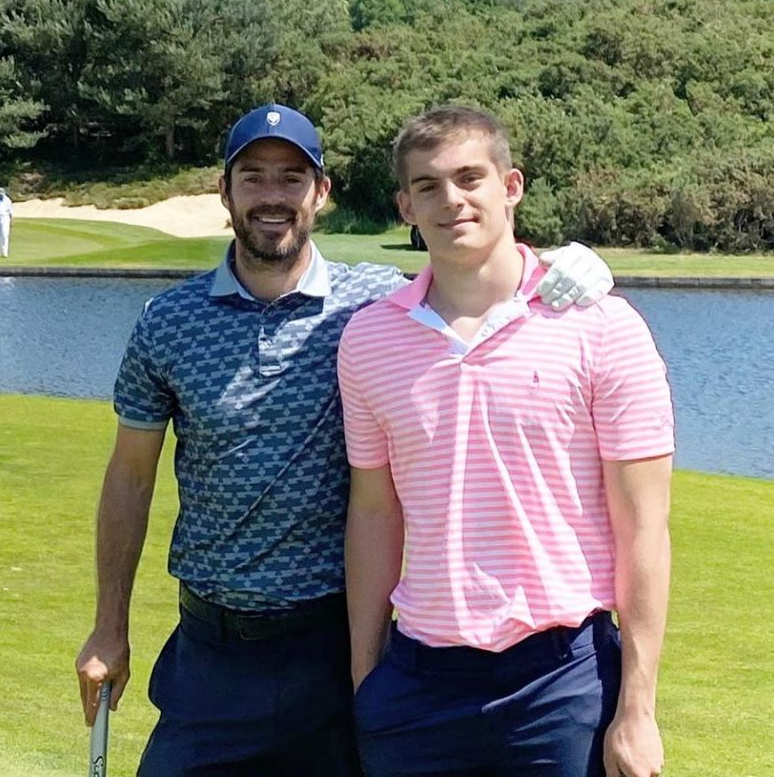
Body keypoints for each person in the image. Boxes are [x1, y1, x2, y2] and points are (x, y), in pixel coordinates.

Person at [74, 103, 615, 777]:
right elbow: (130, 477)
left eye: (292, 178)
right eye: (254, 177)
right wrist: (109, 624)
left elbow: (475, 275)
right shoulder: (168, 322)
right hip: (213, 654)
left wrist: (574, 262)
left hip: (336, 647)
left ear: (321, 194)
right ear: (225, 192)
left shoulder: (375, 308)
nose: (273, 195)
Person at [338, 106, 675, 777]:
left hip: (561, 682)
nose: (451, 199)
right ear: (405, 204)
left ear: (511, 185)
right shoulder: (368, 339)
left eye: (470, 177)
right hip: (416, 680)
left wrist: (637, 708)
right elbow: (375, 512)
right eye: (427, 185)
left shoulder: (601, 324)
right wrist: (365, 680)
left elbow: (644, 525)